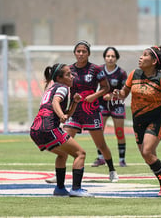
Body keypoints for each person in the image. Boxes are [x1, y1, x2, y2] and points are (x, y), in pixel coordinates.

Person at [113, 45, 161, 197]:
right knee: (147, 155)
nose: (141, 57)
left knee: (147, 151)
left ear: (153, 62)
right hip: (138, 120)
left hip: (156, 119)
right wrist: (116, 94)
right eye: (141, 54)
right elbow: (123, 94)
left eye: (145, 55)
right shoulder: (134, 74)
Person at [30, 63, 93, 197]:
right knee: (80, 153)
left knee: (63, 154)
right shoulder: (62, 88)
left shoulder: (51, 88)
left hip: (35, 130)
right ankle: (76, 189)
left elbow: (66, 113)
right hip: (48, 128)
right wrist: (61, 115)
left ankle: (59, 189)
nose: (72, 76)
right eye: (68, 74)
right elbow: (55, 103)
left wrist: (74, 103)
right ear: (59, 78)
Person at [63, 40, 119, 182]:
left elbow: (105, 88)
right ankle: (59, 173)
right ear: (74, 53)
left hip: (91, 111)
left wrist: (94, 95)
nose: (81, 54)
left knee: (101, 145)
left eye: (84, 51)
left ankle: (112, 170)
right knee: (64, 142)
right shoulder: (69, 70)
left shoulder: (95, 69)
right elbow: (62, 87)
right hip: (74, 111)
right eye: (78, 51)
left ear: (88, 53)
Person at [92, 46, 128, 168]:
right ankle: (101, 158)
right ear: (104, 57)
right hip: (101, 104)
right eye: (108, 56)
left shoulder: (121, 73)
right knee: (99, 131)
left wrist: (112, 96)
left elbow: (125, 92)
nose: (110, 58)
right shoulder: (99, 70)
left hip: (116, 104)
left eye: (113, 56)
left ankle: (122, 159)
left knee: (119, 132)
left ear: (116, 58)